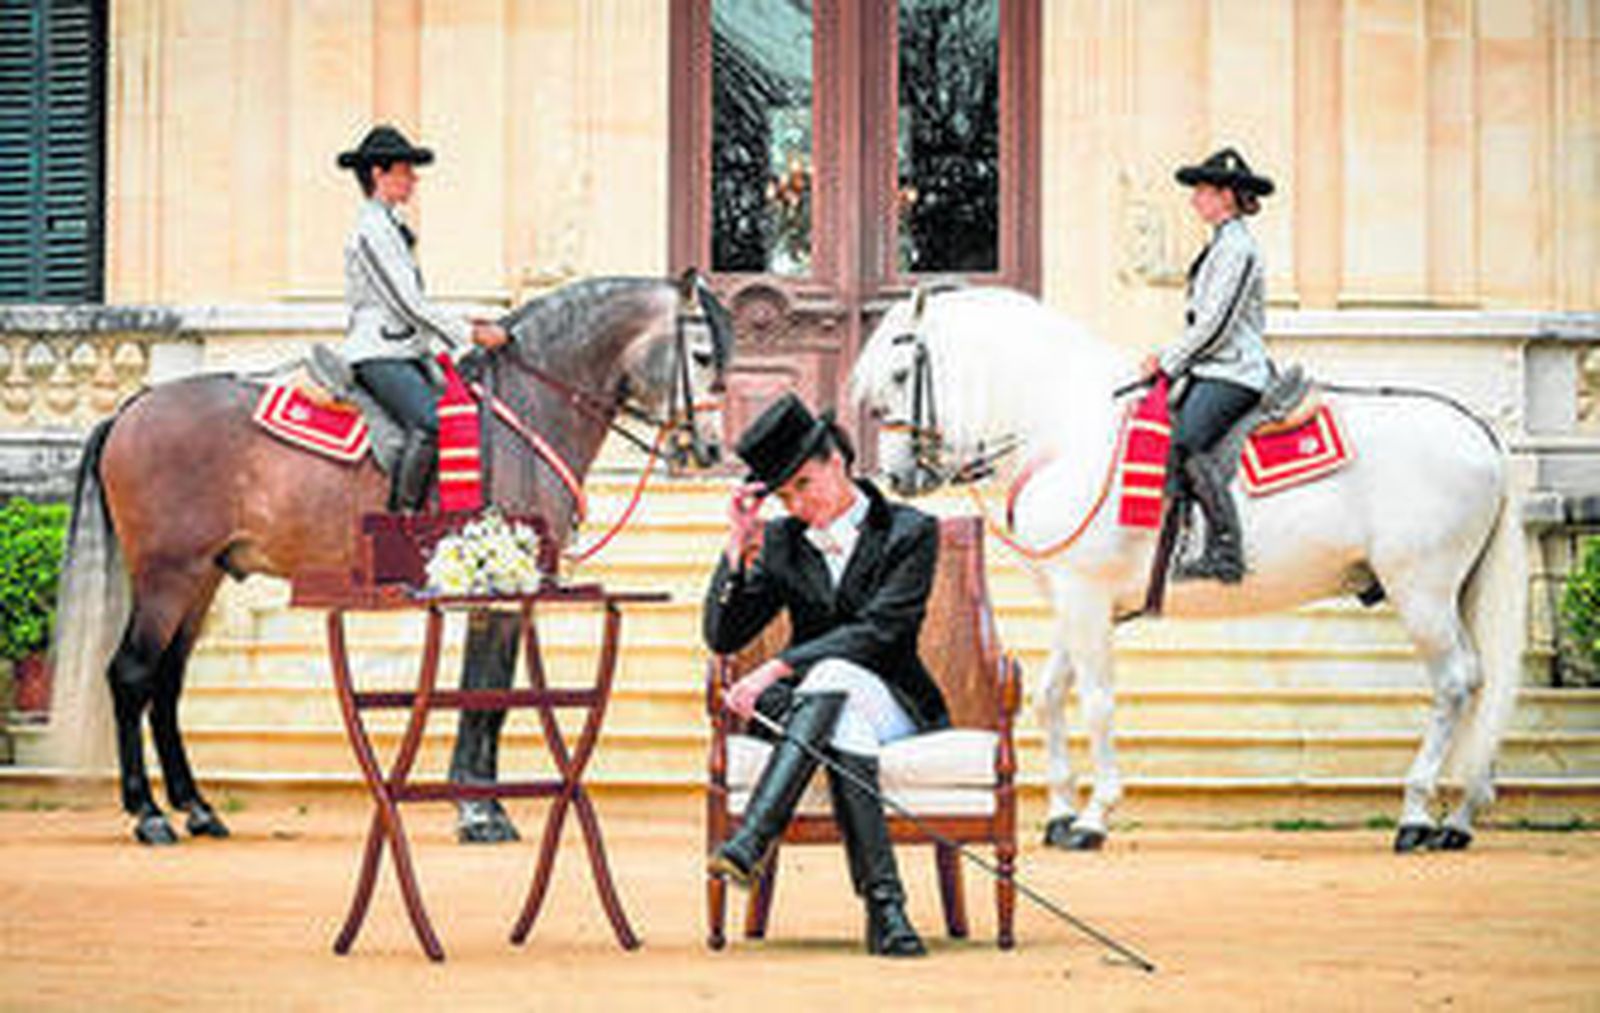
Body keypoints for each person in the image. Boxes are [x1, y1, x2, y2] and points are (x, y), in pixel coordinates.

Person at [703, 393, 949, 958]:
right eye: (784, 496)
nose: (796, 505)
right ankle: (887, 911)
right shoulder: (784, 542)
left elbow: (881, 631)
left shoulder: (911, 531)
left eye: (803, 486)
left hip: (894, 704)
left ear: (836, 462)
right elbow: (723, 636)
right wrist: (737, 544)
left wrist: (779, 666)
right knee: (841, 721)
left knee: (835, 672)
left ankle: (752, 839)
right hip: (819, 716)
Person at [335, 124, 508, 512]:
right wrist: (470, 334)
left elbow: (412, 302)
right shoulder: (371, 230)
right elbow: (408, 303)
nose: (413, 179)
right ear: (378, 174)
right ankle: (402, 519)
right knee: (430, 423)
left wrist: (469, 321)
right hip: (378, 352)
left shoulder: (388, 225)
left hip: (406, 350)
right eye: (404, 170)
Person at [1141, 146, 1275, 583]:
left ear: (1226, 196)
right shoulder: (1221, 243)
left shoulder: (1237, 248)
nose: (1194, 198)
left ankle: (1225, 551)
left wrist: (1167, 360)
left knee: (1185, 443)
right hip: (1210, 367)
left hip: (1235, 371)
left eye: (1202, 190)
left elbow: (1216, 325)